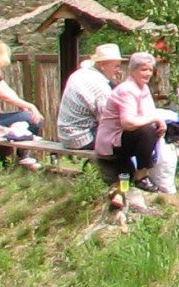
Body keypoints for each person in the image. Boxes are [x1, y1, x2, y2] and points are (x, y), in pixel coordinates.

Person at [94, 51, 166, 209]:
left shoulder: (143, 88)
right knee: (147, 131)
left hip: (125, 142)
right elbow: (128, 122)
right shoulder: (127, 90)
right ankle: (140, 177)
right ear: (133, 70)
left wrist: (158, 121)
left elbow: (149, 113)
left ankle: (122, 192)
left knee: (125, 175)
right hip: (113, 142)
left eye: (149, 70)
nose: (147, 73)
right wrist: (155, 120)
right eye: (143, 69)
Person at [57, 43, 124, 151]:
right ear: (103, 66)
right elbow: (109, 120)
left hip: (66, 135)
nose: (119, 71)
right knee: (130, 138)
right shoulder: (100, 86)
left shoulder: (80, 73)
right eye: (116, 66)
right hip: (81, 137)